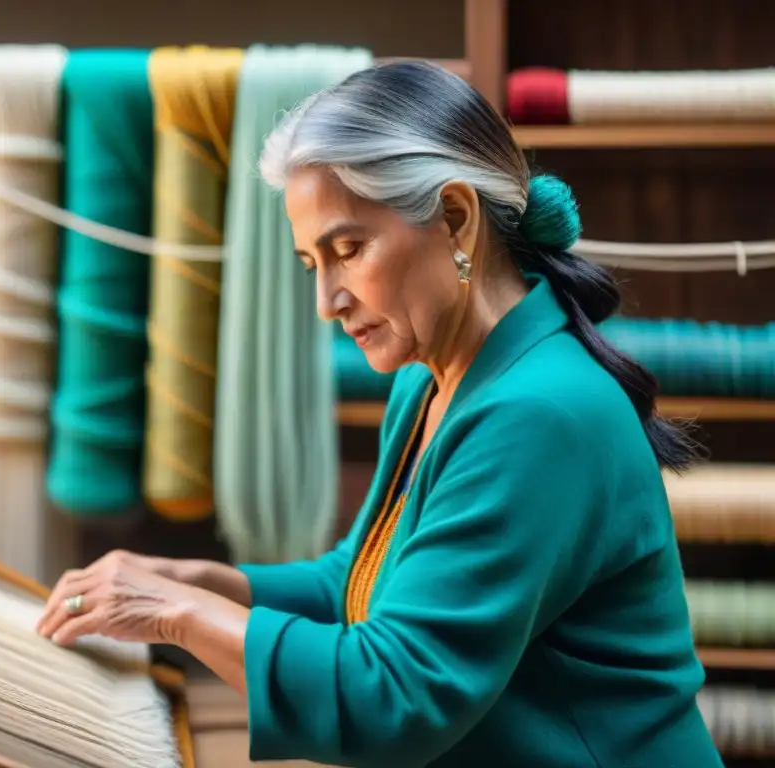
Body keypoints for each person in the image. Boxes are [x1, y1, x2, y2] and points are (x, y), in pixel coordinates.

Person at [35, 60, 723, 767]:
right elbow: (363, 582)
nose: (326, 300)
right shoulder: (432, 376)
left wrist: (175, 616)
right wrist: (206, 582)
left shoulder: (538, 415)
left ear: (455, 219)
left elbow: (394, 693)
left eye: (348, 250)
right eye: (312, 263)